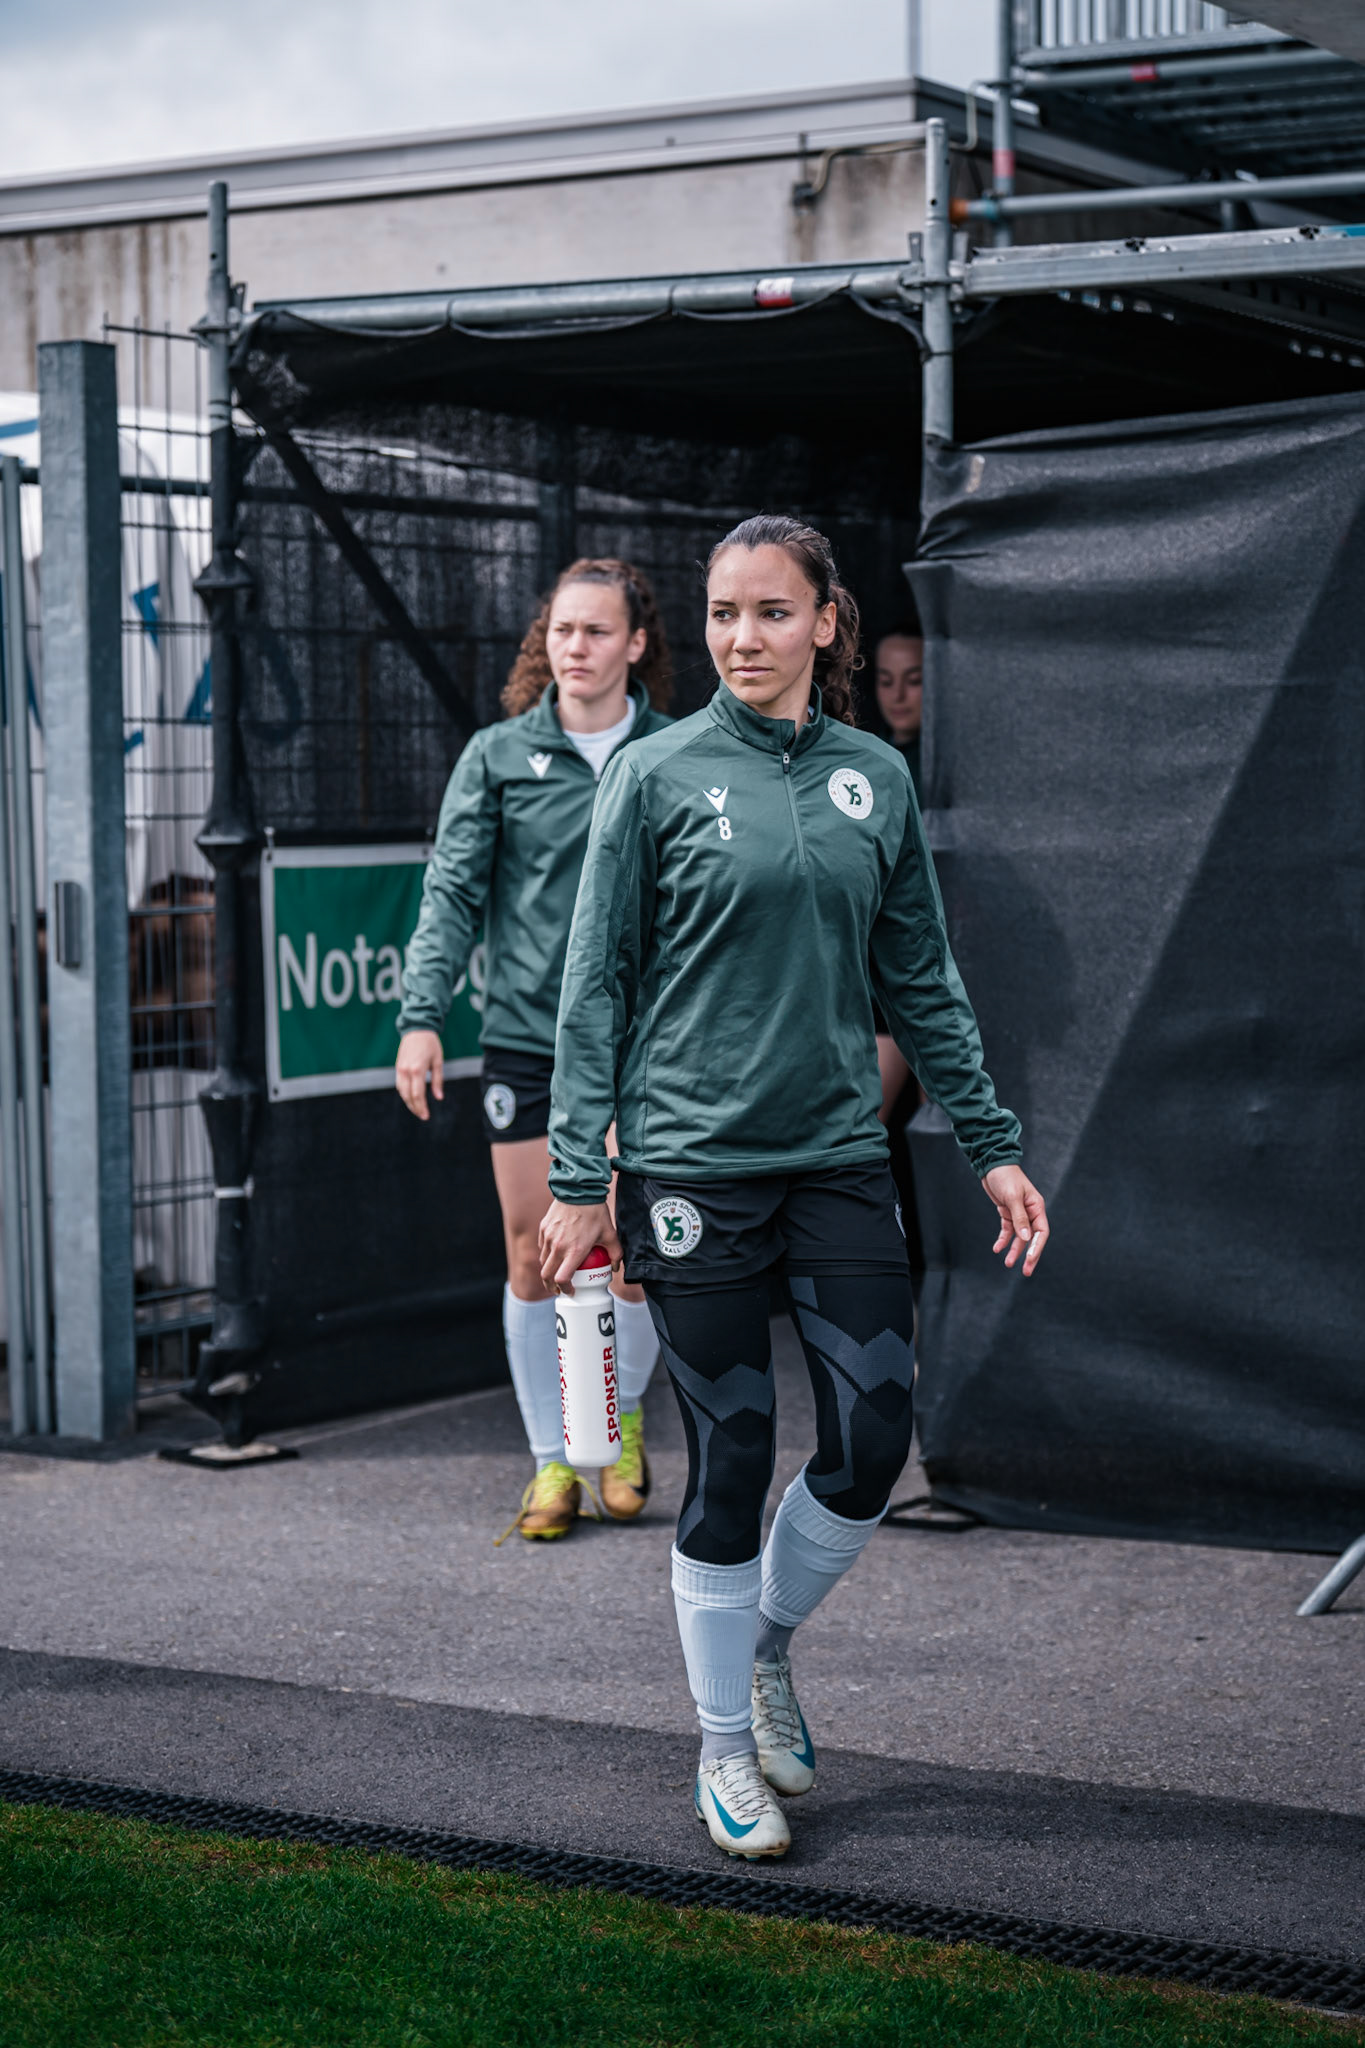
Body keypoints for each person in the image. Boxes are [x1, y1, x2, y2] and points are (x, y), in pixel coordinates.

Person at [539, 516, 1048, 1861]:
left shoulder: (870, 778)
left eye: (771, 613)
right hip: (689, 1167)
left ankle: (760, 1651)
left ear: (828, 622)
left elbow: (922, 983)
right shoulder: (650, 775)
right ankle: (721, 1750)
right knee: (733, 1456)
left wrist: (990, 1143)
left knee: (877, 1439)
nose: (742, 640)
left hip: (834, 1157)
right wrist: (579, 1172)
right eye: (721, 614)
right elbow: (593, 985)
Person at [396, 558, 673, 1543]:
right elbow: (452, 893)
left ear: (636, 643)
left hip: (648, 1048)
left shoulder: (679, 753)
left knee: (634, 1253)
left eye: (598, 631)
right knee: (539, 1249)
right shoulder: (499, 755)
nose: (577, 648)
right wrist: (421, 1014)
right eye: (562, 631)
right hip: (528, 1042)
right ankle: (556, 1458)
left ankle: (622, 1422)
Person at [864, 623, 929, 1267]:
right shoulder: (866, 763)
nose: (899, 695)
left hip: (936, 988)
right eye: (886, 680)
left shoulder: (957, 763)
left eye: (913, 679)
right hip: (876, 995)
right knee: (863, 1137)